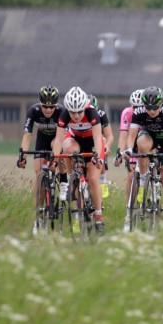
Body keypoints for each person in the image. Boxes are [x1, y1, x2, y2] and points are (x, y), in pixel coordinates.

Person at [53, 86, 106, 232]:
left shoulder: (92, 112)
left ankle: (98, 215)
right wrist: (55, 159)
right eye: (72, 112)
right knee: (67, 147)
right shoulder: (64, 114)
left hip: (91, 143)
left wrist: (99, 157)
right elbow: (58, 141)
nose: (76, 116)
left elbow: (98, 139)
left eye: (79, 112)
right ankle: (74, 177)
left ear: (85, 107)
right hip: (75, 141)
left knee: (94, 178)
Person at [126, 86, 163, 222]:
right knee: (141, 143)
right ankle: (144, 177)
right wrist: (128, 148)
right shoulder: (138, 112)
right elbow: (131, 135)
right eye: (148, 108)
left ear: (161, 104)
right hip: (149, 137)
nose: (151, 111)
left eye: (155, 108)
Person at [17, 85, 61, 236]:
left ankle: (57, 190)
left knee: (55, 152)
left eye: (51, 107)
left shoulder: (62, 112)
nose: (48, 110)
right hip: (41, 142)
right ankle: (38, 215)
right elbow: (27, 135)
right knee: (39, 175)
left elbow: (65, 136)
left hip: (57, 140)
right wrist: (22, 155)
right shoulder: (33, 111)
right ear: (40, 104)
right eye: (45, 107)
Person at [115, 89, 143, 208]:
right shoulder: (127, 112)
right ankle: (129, 206)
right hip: (133, 144)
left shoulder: (148, 114)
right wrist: (120, 153)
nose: (136, 109)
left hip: (146, 142)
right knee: (131, 176)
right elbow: (123, 135)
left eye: (139, 107)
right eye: (134, 106)